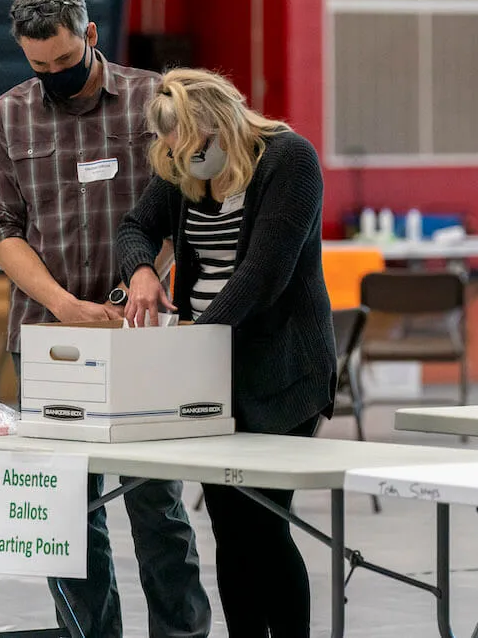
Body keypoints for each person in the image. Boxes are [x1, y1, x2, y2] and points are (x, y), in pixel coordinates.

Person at [0, 0, 211, 637]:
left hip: (142, 331)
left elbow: (196, 201)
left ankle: (181, 633)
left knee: (155, 503)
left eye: (64, 59)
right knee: (65, 512)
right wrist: (64, 306)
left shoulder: (152, 101)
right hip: (52, 338)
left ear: (90, 34)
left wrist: (145, 278)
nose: (54, 73)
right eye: (39, 65)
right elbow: (0, 226)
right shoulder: (7, 114)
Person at [117, 68, 337, 637]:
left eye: (185, 143)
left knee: (264, 522)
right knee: (227, 524)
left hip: (283, 370)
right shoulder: (185, 165)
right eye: (168, 145)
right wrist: (141, 272)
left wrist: (192, 340)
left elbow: (263, 276)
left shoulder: (289, 161)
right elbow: (135, 226)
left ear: (220, 126)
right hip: (213, 371)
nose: (175, 155)